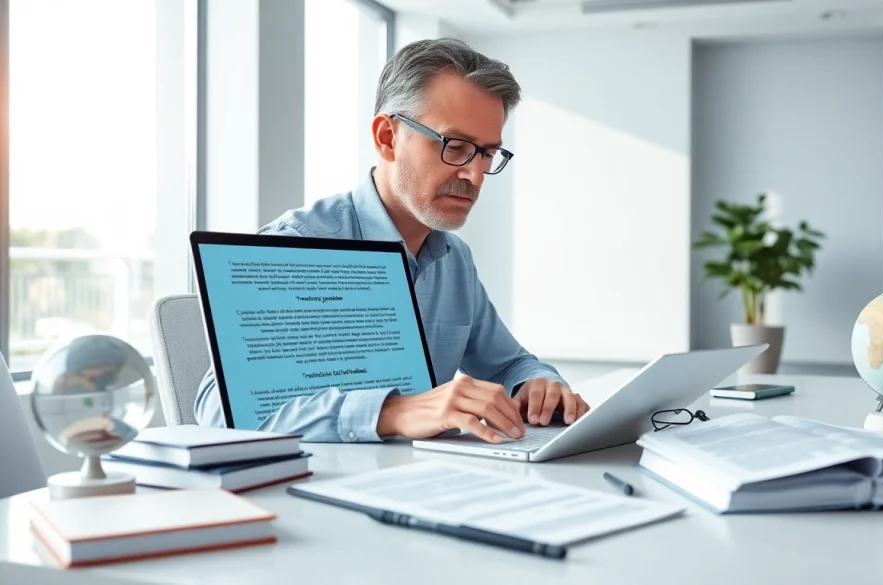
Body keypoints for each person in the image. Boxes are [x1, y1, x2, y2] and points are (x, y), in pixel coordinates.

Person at [194, 38, 590, 444]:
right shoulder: (296, 246)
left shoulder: (454, 260)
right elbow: (218, 411)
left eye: (487, 153)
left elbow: (509, 364)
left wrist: (539, 384)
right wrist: (392, 412)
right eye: (455, 147)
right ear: (387, 137)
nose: (473, 175)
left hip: (431, 480)